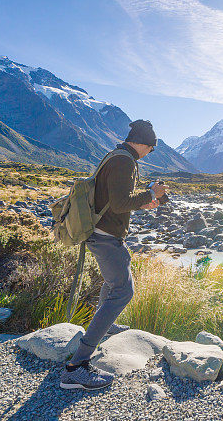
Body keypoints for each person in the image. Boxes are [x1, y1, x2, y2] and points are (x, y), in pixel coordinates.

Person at [60, 119, 169, 390]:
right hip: (106, 237)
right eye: (151, 149)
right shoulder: (125, 162)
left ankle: (105, 327)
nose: (149, 154)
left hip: (102, 232)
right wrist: (150, 193)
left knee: (113, 285)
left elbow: (116, 202)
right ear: (143, 144)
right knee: (123, 291)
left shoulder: (117, 156)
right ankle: (77, 367)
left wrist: (147, 200)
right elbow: (120, 203)